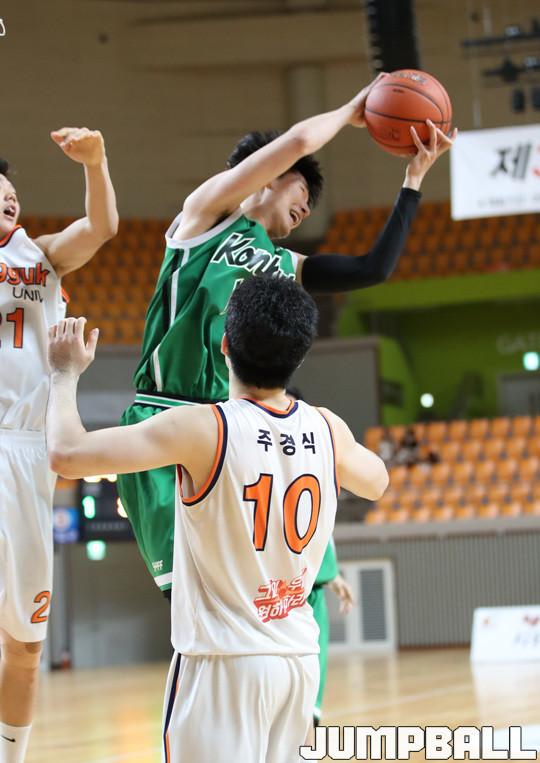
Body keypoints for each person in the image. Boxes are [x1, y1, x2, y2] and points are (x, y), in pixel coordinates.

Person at [116, 73, 457, 598]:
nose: (306, 210)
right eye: (302, 191)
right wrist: (351, 111)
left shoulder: (285, 264)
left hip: (226, 428)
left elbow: (372, 268)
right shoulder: (203, 218)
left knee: (239, 595)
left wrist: (413, 180)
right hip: (165, 411)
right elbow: (298, 142)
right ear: (271, 175)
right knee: (188, 595)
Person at [45, 277, 389, 762]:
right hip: (298, 662)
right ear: (300, 355)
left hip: (222, 665)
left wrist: (63, 375)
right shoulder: (328, 427)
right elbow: (377, 482)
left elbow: (66, 453)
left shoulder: (204, 429)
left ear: (224, 344)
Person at [0, 128, 118, 763]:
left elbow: (101, 227)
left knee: (25, 643)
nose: (8, 199)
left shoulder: (40, 256)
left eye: (11, 193)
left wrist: (95, 163)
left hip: (28, 451)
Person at [286, 388, 355, 726]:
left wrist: (332, 573)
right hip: (268, 591)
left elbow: (316, 524)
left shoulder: (311, 453)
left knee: (305, 700)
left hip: (299, 588)